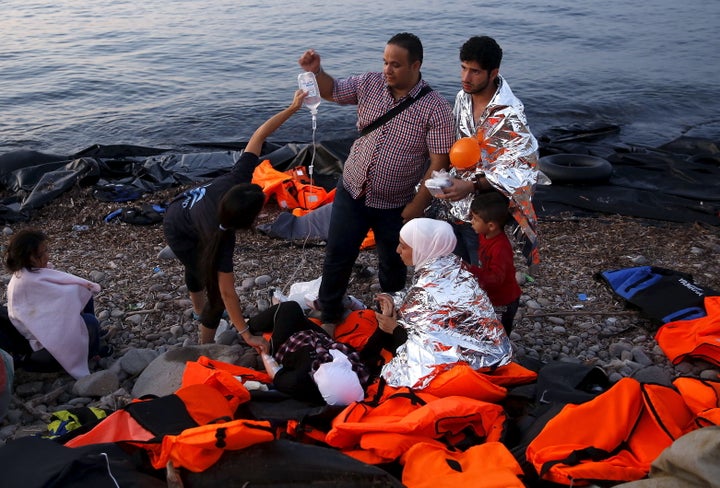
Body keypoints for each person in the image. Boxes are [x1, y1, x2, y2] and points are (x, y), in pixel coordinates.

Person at [297, 33, 455, 333]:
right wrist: (317, 71)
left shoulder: (435, 108)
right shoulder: (370, 83)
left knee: (393, 265)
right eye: (385, 62)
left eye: (395, 64)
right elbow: (333, 91)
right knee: (338, 255)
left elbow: (440, 164)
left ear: (416, 65)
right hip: (352, 189)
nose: (387, 69)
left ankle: (391, 318)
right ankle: (330, 313)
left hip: (396, 204)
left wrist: (417, 206)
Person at [163, 89, 307, 346]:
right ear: (246, 221)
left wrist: (293, 108)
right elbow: (229, 294)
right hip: (176, 224)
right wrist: (247, 335)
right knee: (215, 297)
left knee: (198, 267)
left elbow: (260, 135)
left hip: (188, 210)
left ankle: (199, 312)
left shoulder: (236, 177)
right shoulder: (220, 238)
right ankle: (204, 346)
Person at [435, 35, 546, 273]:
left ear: (493, 73)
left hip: (486, 212)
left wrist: (472, 185)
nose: (465, 78)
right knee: (456, 266)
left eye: (475, 71)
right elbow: (458, 144)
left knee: (484, 273)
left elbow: (525, 168)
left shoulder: (510, 113)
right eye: (463, 68)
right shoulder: (462, 97)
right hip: (455, 202)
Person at [375, 218, 512, 389]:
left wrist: (393, 328)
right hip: (494, 350)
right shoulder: (446, 263)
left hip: (474, 362)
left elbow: (426, 346)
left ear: (423, 248)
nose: (397, 250)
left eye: (404, 246)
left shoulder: (430, 286)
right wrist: (393, 300)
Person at [4, 229, 108, 379]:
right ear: (31, 257)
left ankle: (90, 339)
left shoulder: (31, 272)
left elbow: (52, 302)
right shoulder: (24, 282)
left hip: (47, 323)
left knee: (84, 293)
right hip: (41, 339)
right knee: (90, 321)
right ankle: (91, 352)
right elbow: (41, 314)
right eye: (43, 252)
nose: (47, 256)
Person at [249, 301, 368, 406]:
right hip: (320, 340)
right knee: (297, 316)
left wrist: (264, 352)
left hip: (289, 344)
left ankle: (247, 326)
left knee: (289, 308)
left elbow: (275, 374)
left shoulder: (298, 382)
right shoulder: (357, 372)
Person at [466, 192, 522, 334]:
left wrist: (471, 270)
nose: (471, 221)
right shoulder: (484, 234)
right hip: (492, 296)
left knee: (499, 331)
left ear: (491, 225)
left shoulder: (500, 248)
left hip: (504, 300)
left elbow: (496, 278)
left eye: (475, 219)